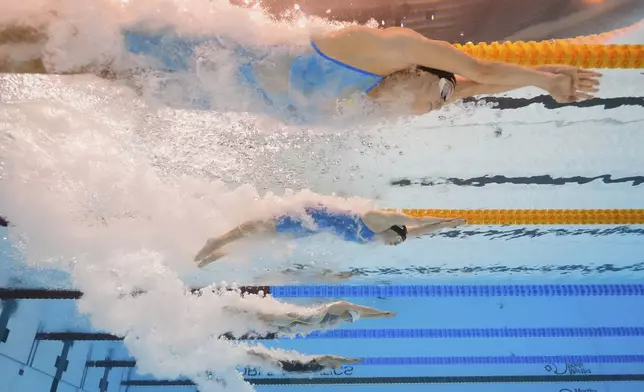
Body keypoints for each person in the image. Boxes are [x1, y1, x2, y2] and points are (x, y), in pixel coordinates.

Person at [0, 20, 601, 124]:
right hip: (174, 45)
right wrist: (545, 77)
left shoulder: (380, 101)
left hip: (176, 82)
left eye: (441, 105)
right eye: (439, 90)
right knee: (49, 40)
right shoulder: (378, 51)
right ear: (427, 68)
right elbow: (473, 69)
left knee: (56, 69)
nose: (433, 104)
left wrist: (529, 85)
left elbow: (475, 83)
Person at [194, 205, 465, 267]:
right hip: (310, 215)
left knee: (264, 240)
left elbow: (416, 232)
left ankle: (218, 252)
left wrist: (444, 228)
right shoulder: (377, 220)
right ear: (393, 230)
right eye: (397, 240)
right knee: (264, 228)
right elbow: (414, 222)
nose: (394, 245)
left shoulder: (376, 237)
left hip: (311, 229)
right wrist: (444, 218)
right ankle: (218, 240)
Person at [221, 300, 395, 338]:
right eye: (348, 318)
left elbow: (362, 315)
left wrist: (381, 316)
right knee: (261, 317)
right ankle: (233, 309)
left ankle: (231, 318)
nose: (346, 320)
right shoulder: (337, 308)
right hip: (291, 319)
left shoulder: (339, 318)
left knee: (259, 324)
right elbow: (361, 309)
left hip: (292, 326)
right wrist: (381, 311)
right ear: (347, 312)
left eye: (349, 321)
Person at [245, 348, 362, 373]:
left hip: (292, 367)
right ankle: (252, 353)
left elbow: (336, 360)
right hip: (292, 366)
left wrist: (350, 360)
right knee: (271, 360)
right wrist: (349, 360)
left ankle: (252, 354)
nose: (334, 367)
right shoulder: (323, 361)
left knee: (271, 360)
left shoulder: (323, 365)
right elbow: (336, 359)